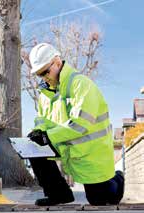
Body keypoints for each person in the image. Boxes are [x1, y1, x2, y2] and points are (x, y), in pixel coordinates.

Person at [27, 43, 124, 206]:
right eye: (39, 74)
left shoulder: (81, 84)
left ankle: (118, 178)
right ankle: (59, 194)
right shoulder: (44, 95)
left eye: (45, 72)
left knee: (99, 200)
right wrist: (38, 132)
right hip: (67, 146)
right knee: (33, 148)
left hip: (92, 152)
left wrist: (48, 136)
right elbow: (42, 121)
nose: (43, 77)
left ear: (57, 62)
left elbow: (80, 124)